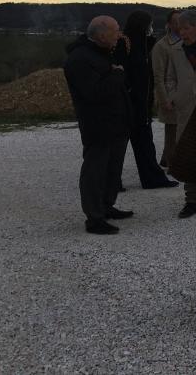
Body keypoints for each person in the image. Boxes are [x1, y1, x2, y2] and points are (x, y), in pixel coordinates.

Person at [63, 16, 133, 234]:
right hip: (98, 125)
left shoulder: (101, 53)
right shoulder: (80, 59)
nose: (119, 34)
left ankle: (106, 206)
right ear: (101, 35)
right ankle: (94, 218)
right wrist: (117, 74)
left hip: (116, 123)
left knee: (112, 169)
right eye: (115, 30)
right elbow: (94, 93)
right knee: (95, 171)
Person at [113, 11, 177, 189]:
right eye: (149, 24)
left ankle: (152, 178)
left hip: (142, 102)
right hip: (130, 101)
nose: (151, 28)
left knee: (144, 142)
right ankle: (113, 181)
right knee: (121, 144)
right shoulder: (124, 43)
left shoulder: (144, 43)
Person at [165, 9, 196, 218]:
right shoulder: (176, 51)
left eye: (186, 28)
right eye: (180, 28)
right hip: (186, 110)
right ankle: (191, 201)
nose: (182, 32)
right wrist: (174, 96)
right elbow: (170, 78)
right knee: (190, 156)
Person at [151, 9, 181, 168]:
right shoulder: (161, 46)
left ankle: (167, 160)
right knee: (172, 133)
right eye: (175, 22)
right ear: (169, 24)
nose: (179, 25)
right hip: (170, 95)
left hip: (184, 94)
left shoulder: (187, 41)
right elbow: (158, 76)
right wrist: (164, 100)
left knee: (181, 131)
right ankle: (171, 164)